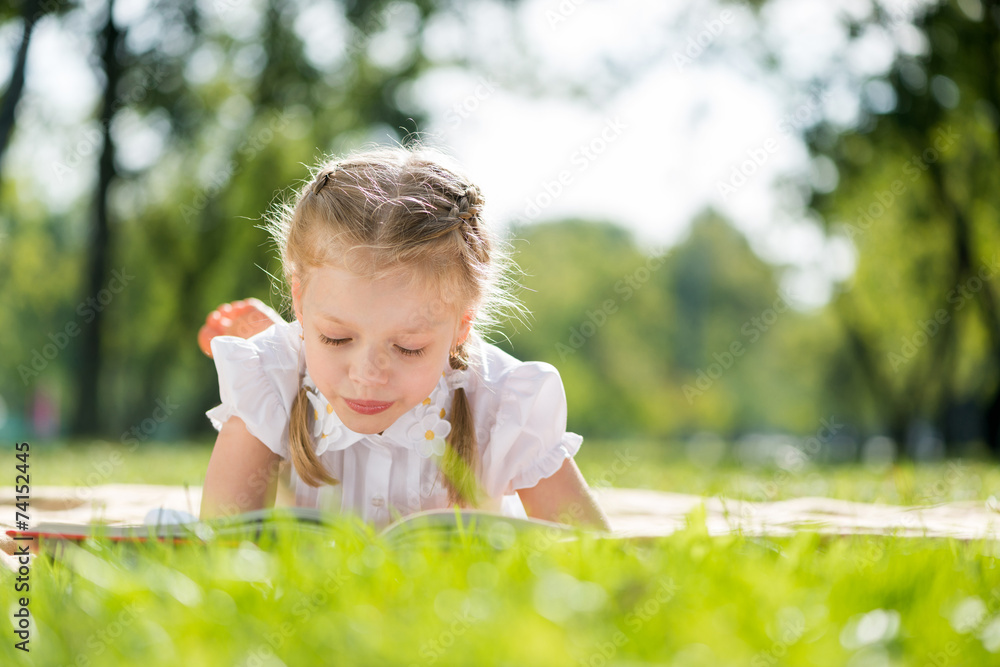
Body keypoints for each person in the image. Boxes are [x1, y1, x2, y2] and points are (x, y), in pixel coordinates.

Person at [198, 144, 611, 532]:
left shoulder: (504, 402)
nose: (367, 376)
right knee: (279, 363)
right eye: (337, 338)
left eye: (408, 347)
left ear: (462, 326)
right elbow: (220, 545)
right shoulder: (268, 383)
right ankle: (283, 338)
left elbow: (592, 552)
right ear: (300, 299)